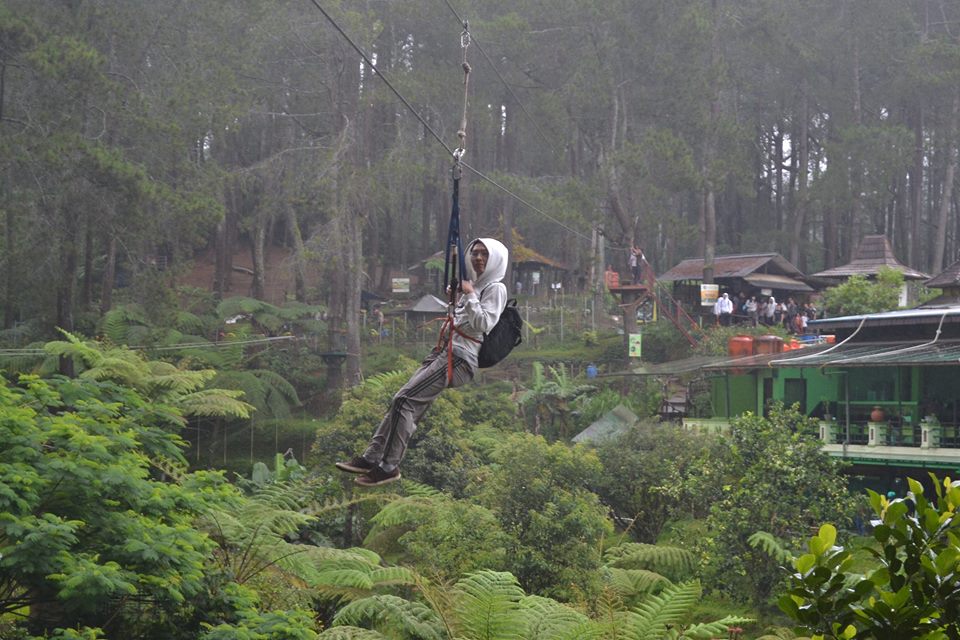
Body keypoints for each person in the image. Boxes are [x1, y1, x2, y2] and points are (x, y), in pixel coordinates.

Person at [336, 238, 509, 487]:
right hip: (444, 351)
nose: (478, 258)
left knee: (404, 401)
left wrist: (469, 295)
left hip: (459, 359)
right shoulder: (475, 286)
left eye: (485, 255)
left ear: (496, 260)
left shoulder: (495, 288)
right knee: (400, 401)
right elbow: (464, 318)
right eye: (475, 253)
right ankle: (370, 457)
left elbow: (484, 323)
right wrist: (460, 297)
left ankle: (388, 466)